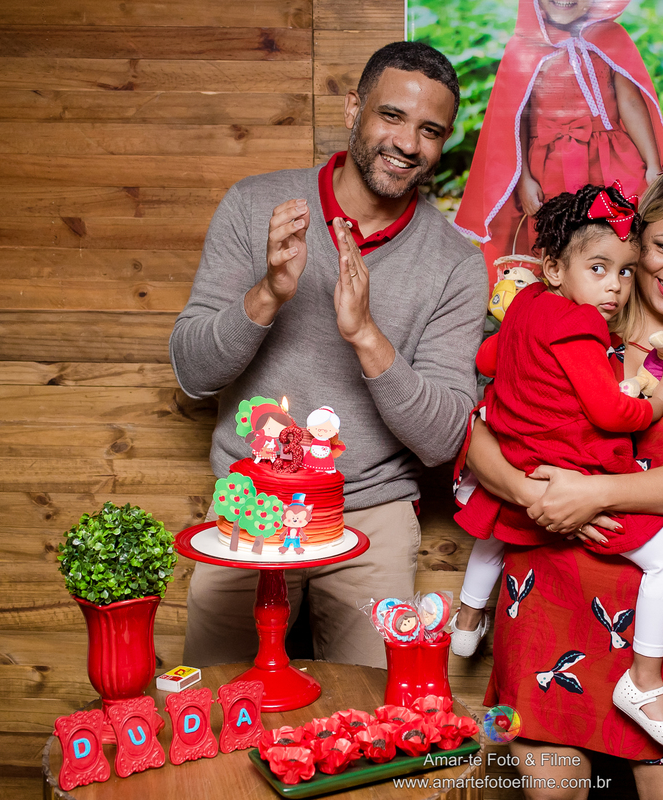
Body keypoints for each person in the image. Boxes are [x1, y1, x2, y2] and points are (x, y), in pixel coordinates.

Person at [170, 41, 487, 669]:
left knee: (376, 729)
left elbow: (445, 435)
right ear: (353, 110)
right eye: (391, 116)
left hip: (372, 512)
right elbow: (192, 374)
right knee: (213, 707)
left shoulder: (455, 262)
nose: (407, 143)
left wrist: (367, 336)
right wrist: (267, 295)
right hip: (252, 510)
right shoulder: (255, 206)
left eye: (430, 131)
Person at [457, 166, 663, 799]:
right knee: (557, 793)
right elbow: (481, 434)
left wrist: (594, 493)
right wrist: (536, 496)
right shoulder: (569, 323)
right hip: (551, 599)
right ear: (635, 242)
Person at [450, 183, 663, 750]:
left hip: (515, 447)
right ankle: (644, 680)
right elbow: (612, 412)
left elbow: (488, 358)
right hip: (572, 462)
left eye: (625, 271)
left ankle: (466, 620)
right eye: (599, 268)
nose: (614, 286)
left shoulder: (526, 305)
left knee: (498, 524)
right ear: (555, 268)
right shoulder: (581, 325)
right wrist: (660, 398)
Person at [456, 0, 663, 283]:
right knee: (554, 237)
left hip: (609, 161)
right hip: (549, 166)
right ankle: (554, 307)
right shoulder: (522, 48)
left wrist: (653, 164)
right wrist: (523, 179)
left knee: (621, 227)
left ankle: (620, 299)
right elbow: (515, 117)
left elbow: (630, 102)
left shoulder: (611, 37)